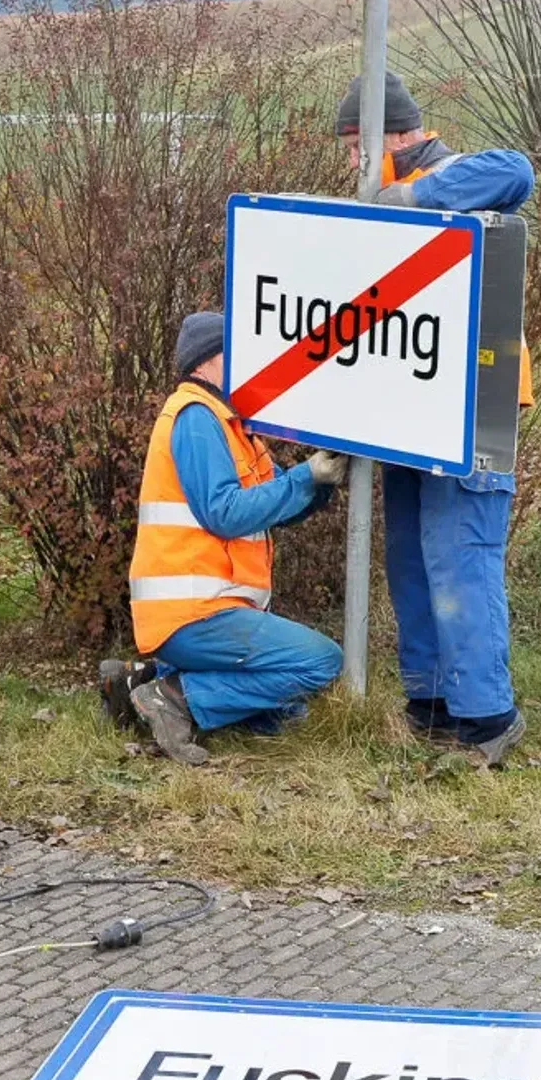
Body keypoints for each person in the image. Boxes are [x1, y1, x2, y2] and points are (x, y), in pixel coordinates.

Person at [335, 71, 536, 765]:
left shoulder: (451, 175)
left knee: (460, 554)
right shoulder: (373, 195)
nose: (350, 161)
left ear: (394, 135)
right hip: (405, 400)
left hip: (472, 400)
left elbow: (518, 171)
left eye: (356, 145)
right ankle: (430, 704)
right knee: (413, 557)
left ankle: (486, 719)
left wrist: (410, 196)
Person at [101, 311, 348, 765]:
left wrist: (319, 482)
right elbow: (225, 513)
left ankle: (138, 683)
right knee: (322, 662)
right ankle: (173, 697)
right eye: (235, 355)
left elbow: (275, 504)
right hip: (194, 614)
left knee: (284, 712)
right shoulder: (197, 417)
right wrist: (303, 477)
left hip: (208, 611)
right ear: (206, 362)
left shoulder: (234, 425)